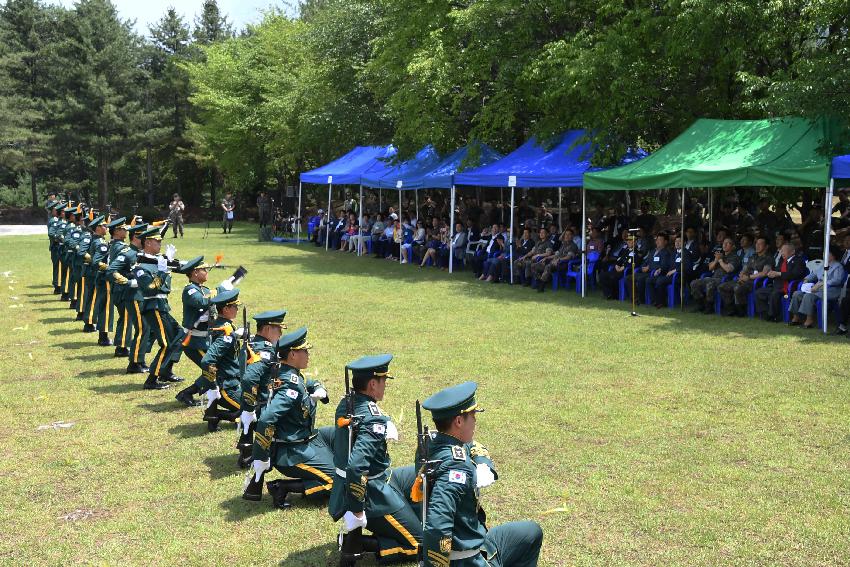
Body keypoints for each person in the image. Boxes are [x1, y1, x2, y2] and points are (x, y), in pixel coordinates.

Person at [420, 382, 543, 567]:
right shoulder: (457, 468)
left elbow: (473, 445)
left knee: (531, 531)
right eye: (472, 415)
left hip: (466, 545)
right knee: (531, 535)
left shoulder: (432, 444)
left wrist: (484, 465)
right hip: (467, 559)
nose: (475, 420)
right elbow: (438, 525)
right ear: (459, 421)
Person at [331, 354, 422, 565]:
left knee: (420, 478)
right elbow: (356, 468)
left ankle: (408, 517)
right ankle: (360, 543)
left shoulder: (348, 403)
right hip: (373, 493)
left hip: (379, 478)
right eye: (383, 381)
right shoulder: (373, 419)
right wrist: (357, 510)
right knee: (422, 545)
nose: (385, 386)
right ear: (372, 384)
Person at [243, 327, 335, 509]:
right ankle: (282, 487)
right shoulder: (289, 388)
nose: (308, 355)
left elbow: (304, 383)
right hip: (292, 451)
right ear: (292, 354)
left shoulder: (286, 372)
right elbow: (267, 419)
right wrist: (260, 457)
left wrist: (317, 387)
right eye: (304, 351)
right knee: (339, 482)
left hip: (303, 440)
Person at [132, 226, 184, 390]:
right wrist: (162, 272)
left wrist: (167, 264)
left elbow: (169, 281)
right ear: (147, 242)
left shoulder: (158, 261)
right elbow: (150, 288)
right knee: (167, 343)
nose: (160, 244)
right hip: (152, 307)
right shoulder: (140, 267)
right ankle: (151, 380)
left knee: (179, 335)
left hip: (162, 306)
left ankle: (166, 371)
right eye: (157, 241)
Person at [236, 309, 287, 468]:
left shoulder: (251, 342)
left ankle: (247, 451)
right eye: (278, 329)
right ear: (267, 329)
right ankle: (256, 455)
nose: (280, 333)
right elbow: (250, 378)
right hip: (261, 402)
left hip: (249, 398)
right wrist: (251, 407)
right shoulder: (265, 351)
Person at [197, 289, 246, 431]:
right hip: (226, 387)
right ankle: (217, 415)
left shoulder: (223, 324)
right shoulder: (226, 332)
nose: (237, 309)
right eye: (234, 306)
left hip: (233, 382)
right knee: (254, 411)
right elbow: (207, 361)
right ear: (226, 309)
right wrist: (213, 386)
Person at [107, 222, 152, 373]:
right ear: (137, 238)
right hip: (132, 295)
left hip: (142, 295)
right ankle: (134, 363)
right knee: (142, 327)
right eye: (145, 239)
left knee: (145, 327)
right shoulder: (128, 253)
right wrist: (127, 282)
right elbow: (111, 271)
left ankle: (140, 360)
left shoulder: (140, 254)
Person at [789, 248, 847, 328]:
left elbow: (837, 280)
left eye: (826, 253)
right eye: (823, 253)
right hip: (817, 289)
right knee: (797, 294)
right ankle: (796, 318)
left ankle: (809, 320)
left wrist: (821, 284)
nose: (824, 255)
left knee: (809, 296)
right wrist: (806, 279)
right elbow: (814, 274)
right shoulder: (823, 265)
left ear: (833, 256)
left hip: (831, 290)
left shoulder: (838, 266)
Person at [718, 236, 773, 317]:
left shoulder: (769, 258)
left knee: (737, 288)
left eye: (760, 244)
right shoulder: (753, 256)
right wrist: (742, 274)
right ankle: (730, 309)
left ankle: (741, 310)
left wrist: (749, 277)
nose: (757, 246)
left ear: (766, 246)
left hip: (757, 282)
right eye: (756, 244)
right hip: (745, 279)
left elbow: (764, 273)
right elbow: (745, 268)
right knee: (722, 286)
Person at [754, 243, 807, 322]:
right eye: (781, 251)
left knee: (774, 294)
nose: (782, 253)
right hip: (777, 286)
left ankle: (774, 316)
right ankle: (765, 313)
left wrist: (779, 274)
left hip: (789, 287)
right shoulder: (782, 260)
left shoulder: (799, 261)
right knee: (759, 292)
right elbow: (777, 270)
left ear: (792, 252)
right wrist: (771, 273)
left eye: (784, 251)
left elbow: (795, 275)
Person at [689, 237, 741, 314]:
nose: (725, 245)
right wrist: (716, 260)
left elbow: (728, 269)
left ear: (733, 246)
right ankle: (700, 304)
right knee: (694, 283)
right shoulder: (720, 255)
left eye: (728, 243)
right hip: (713, 277)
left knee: (710, 284)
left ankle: (709, 306)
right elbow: (710, 268)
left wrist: (720, 260)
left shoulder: (735, 257)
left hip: (725, 279)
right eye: (724, 243)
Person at [627, 233, 673, 305]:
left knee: (640, 279)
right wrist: (642, 268)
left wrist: (649, 267)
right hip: (646, 272)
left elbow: (663, 266)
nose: (657, 242)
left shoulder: (666, 253)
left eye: (660, 240)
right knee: (629, 277)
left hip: (655, 273)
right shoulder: (652, 252)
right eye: (657, 240)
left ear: (665, 242)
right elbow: (645, 262)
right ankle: (634, 298)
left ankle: (641, 300)